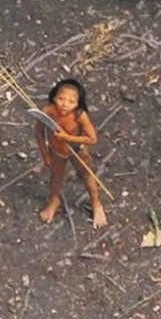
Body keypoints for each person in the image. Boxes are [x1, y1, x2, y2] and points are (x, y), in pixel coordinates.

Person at [34, 79, 107, 229]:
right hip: (56, 152)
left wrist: (68, 138)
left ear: (77, 103)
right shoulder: (48, 111)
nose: (64, 104)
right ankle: (54, 201)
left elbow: (92, 138)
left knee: (87, 175)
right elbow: (39, 132)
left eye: (71, 101)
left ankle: (96, 202)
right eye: (61, 98)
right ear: (54, 97)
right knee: (56, 178)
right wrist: (44, 153)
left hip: (77, 151)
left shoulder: (80, 115)